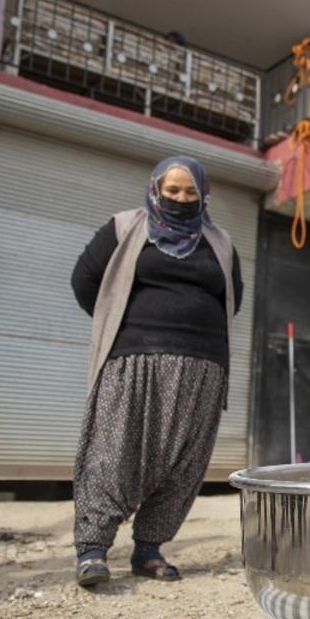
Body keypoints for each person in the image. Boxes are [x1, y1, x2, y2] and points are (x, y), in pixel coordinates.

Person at [70, 155, 243, 587]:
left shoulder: (219, 242)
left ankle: (149, 549)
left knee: (183, 463)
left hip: (202, 367)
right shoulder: (125, 228)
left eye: (190, 192)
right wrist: (125, 324)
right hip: (133, 360)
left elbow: (231, 298)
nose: (182, 199)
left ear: (204, 195)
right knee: (113, 452)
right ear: (156, 190)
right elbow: (84, 280)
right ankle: (93, 549)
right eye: (173, 191)